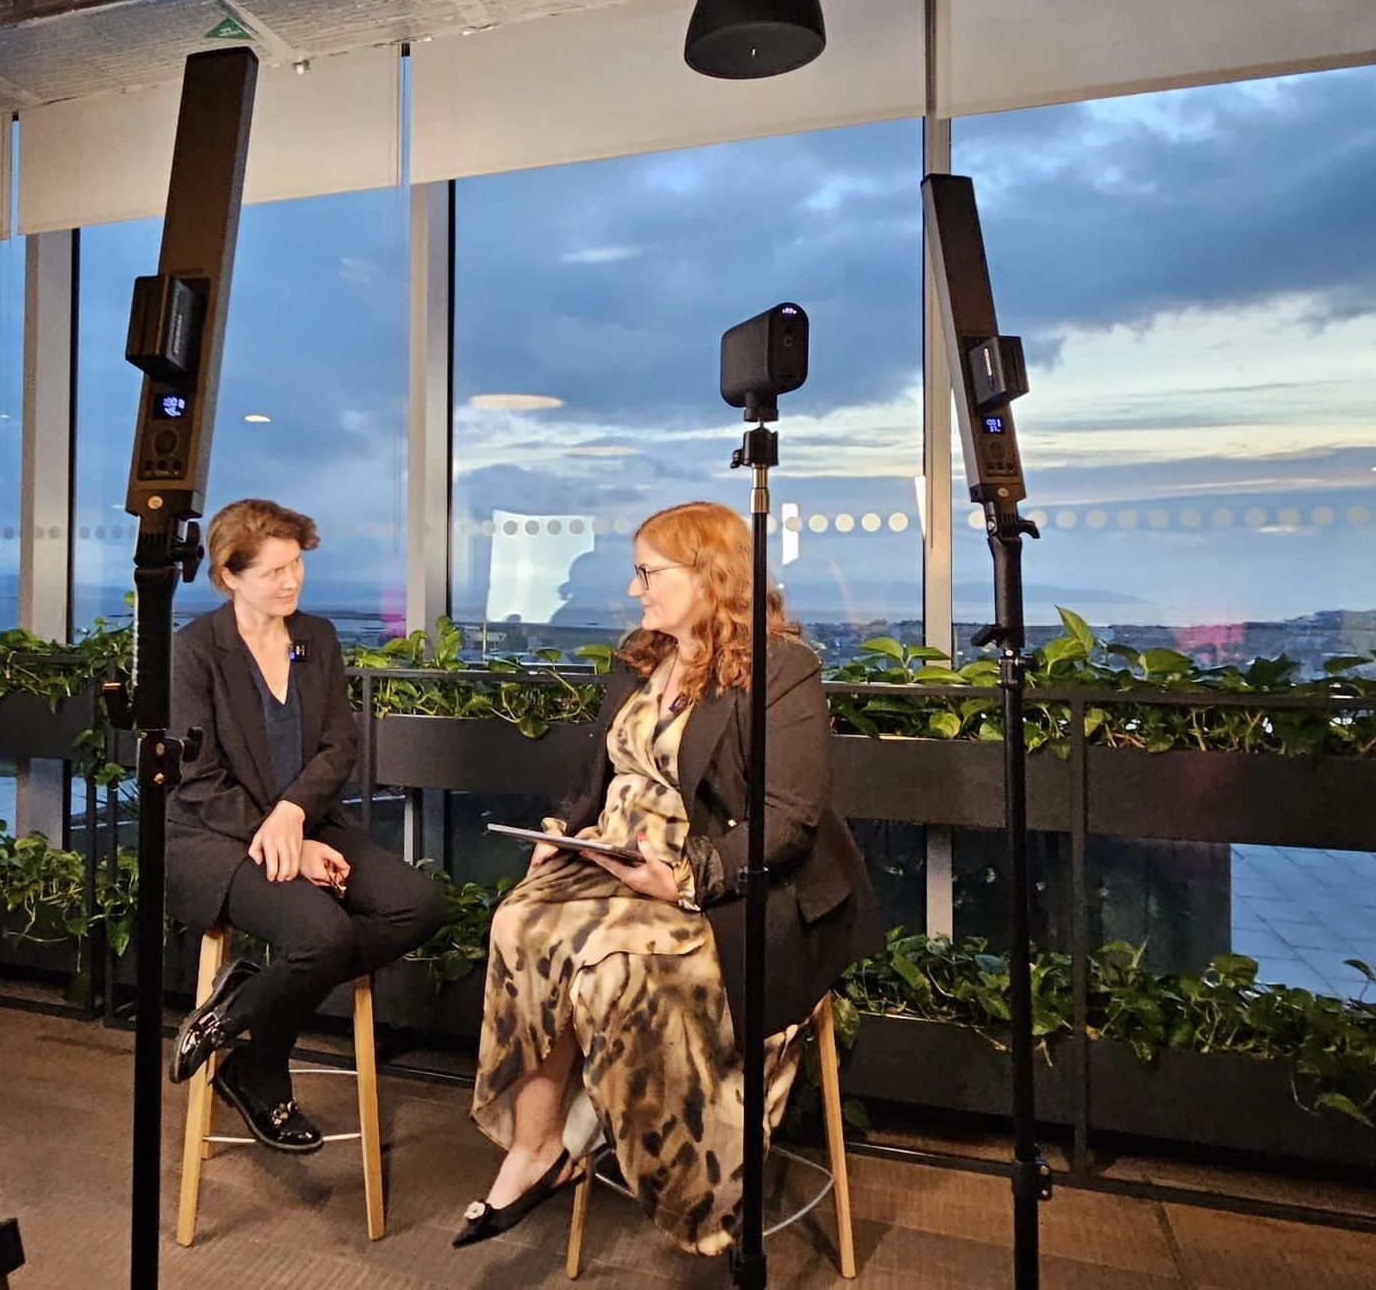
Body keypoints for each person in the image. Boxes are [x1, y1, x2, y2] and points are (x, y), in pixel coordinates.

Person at [458, 500, 881, 1253]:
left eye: (648, 573)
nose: (635, 589)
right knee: (518, 922)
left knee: (609, 973)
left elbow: (788, 819)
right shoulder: (641, 660)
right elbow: (598, 775)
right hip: (618, 860)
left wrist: (685, 878)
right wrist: (561, 829)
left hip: (730, 883)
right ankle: (536, 1146)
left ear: (708, 574)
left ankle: (693, 1191)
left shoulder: (781, 668)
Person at [166, 498, 445, 1152]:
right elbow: (198, 779)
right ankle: (263, 1070)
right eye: (273, 572)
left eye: (296, 565)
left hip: (309, 821)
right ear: (229, 576)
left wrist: (295, 818)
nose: (291, 581)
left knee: (418, 905)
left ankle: (245, 1009)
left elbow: (339, 746)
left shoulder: (315, 638)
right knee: (319, 936)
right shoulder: (194, 651)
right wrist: (279, 835)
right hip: (216, 837)